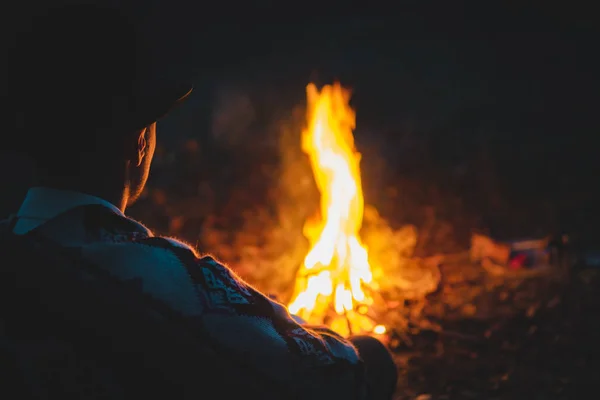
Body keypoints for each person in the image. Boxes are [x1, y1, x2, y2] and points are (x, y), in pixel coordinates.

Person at [3, 3, 397, 399]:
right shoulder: (158, 278)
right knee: (373, 356)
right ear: (137, 141)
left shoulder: (17, 249)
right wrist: (349, 346)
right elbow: (341, 376)